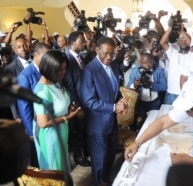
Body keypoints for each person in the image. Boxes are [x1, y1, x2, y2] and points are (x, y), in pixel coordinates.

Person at [78, 36, 127, 186]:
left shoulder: (113, 66)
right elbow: (89, 101)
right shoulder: (89, 70)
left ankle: (106, 180)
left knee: (110, 155)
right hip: (97, 124)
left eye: (112, 54)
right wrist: (113, 107)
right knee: (99, 158)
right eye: (105, 53)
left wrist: (121, 99)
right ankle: (98, 182)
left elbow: (115, 90)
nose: (108, 57)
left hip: (112, 122)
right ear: (97, 49)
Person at [33, 50, 81, 171]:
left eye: (64, 68)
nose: (63, 72)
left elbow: (59, 104)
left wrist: (70, 108)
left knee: (62, 167)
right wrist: (68, 117)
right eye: (60, 69)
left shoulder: (56, 82)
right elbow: (43, 123)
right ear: (49, 67)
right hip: (49, 136)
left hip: (61, 131)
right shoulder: (42, 91)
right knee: (54, 170)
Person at [16, 42, 50, 167]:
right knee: (38, 160)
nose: (48, 59)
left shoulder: (45, 70)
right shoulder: (25, 76)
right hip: (35, 126)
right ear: (36, 55)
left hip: (47, 121)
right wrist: (31, 131)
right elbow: (24, 107)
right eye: (45, 56)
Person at [63, 31, 90, 167]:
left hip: (85, 100)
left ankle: (84, 151)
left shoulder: (80, 58)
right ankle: (78, 156)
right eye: (81, 41)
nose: (84, 43)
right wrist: (78, 107)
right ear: (72, 43)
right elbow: (70, 86)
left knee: (83, 129)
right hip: (76, 103)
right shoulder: (67, 60)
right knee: (77, 131)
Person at [127, 52, 167, 129]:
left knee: (153, 123)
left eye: (150, 63)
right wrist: (135, 84)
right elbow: (129, 87)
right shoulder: (135, 70)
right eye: (144, 63)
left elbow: (164, 87)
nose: (147, 65)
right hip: (140, 101)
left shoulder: (159, 71)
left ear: (153, 62)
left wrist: (152, 85)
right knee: (141, 123)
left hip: (155, 101)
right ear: (140, 62)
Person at [160, 23, 191, 105]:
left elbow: (192, 43)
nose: (183, 42)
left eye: (185, 40)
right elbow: (162, 42)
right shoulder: (173, 53)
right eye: (181, 40)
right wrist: (171, 28)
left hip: (187, 93)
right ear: (178, 42)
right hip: (171, 93)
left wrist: (182, 31)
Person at [5, 37, 31, 123]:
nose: (23, 49)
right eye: (19, 47)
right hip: (25, 109)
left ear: (29, 47)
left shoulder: (36, 61)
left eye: (25, 46)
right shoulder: (11, 68)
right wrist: (16, 115)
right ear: (15, 51)